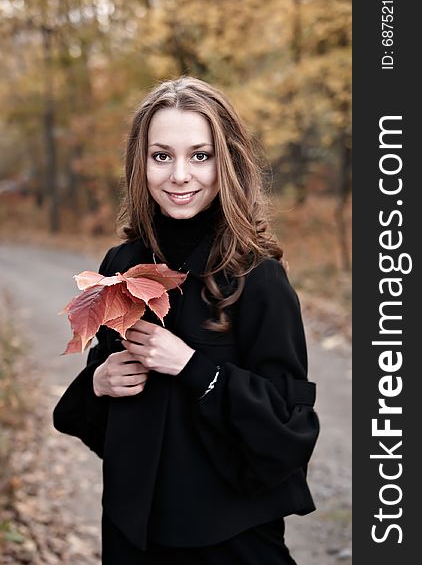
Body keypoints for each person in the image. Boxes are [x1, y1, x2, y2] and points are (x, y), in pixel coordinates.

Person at [53, 76, 319, 564]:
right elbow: (98, 422)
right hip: (134, 533)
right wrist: (100, 382)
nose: (179, 175)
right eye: (161, 156)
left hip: (230, 538)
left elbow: (290, 431)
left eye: (199, 155)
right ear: (141, 162)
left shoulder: (256, 276)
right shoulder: (121, 264)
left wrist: (194, 367)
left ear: (226, 162)